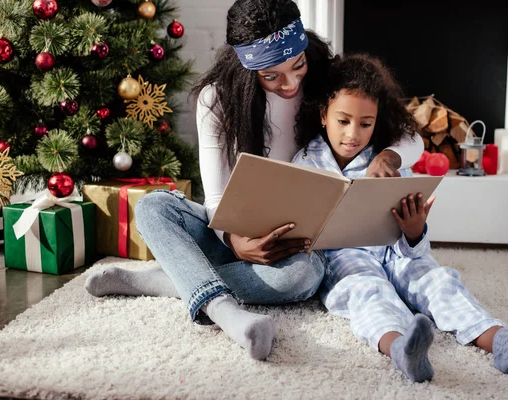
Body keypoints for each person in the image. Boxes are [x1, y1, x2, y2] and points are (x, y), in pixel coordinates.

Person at [84, 0, 424, 361]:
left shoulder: (325, 78)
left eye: (298, 66)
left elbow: (411, 136)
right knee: (153, 206)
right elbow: (214, 197)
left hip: (295, 249)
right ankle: (227, 314)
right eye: (272, 76)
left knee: (304, 278)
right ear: (249, 69)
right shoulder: (216, 99)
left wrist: (389, 155)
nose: (291, 82)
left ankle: (170, 279)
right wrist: (234, 241)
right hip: (233, 233)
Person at [291, 53, 508, 382]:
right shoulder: (304, 162)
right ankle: (402, 350)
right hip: (344, 255)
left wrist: (414, 231)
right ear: (324, 115)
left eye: (365, 124)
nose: (353, 133)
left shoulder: (387, 161)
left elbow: (413, 239)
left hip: (394, 248)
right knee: (368, 292)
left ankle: (501, 341)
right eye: (343, 121)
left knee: (437, 280)